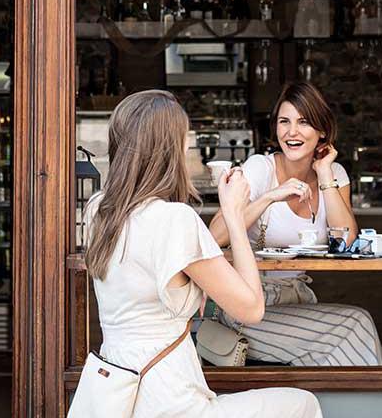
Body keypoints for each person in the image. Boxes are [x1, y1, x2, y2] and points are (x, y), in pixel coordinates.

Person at [82, 90, 322, 418]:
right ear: (171, 149)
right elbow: (251, 308)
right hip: (171, 402)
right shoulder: (174, 219)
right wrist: (234, 215)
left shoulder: (99, 210)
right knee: (303, 403)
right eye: (186, 140)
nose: (189, 149)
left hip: (118, 395)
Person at [206, 82, 382, 366]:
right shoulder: (260, 169)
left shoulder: (335, 173)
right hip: (249, 307)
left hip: (299, 301)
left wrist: (324, 174)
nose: (291, 132)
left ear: (322, 130)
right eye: (284, 122)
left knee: (345, 338)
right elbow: (213, 236)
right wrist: (269, 197)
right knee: (354, 325)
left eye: (303, 122)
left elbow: (347, 241)